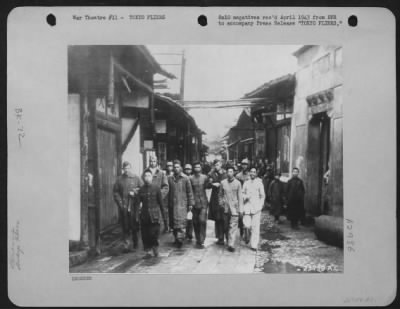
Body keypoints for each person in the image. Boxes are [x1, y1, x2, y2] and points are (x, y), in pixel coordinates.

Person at [113, 161, 143, 251]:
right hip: (124, 207)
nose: (126, 170)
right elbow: (115, 192)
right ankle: (126, 244)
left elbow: (142, 188)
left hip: (134, 206)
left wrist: (135, 192)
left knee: (134, 225)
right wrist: (120, 203)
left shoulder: (136, 178)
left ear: (131, 168)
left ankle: (135, 242)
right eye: (125, 168)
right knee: (125, 226)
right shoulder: (119, 179)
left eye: (128, 168)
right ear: (123, 169)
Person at [138, 170, 168, 259]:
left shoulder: (156, 188)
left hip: (155, 216)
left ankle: (155, 249)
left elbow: (161, 204)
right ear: (143, 178)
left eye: (149, 176)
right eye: (145, 176)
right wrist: (137, 215)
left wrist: (164, 217)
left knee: (154, 234)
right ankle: (147, 252)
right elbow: (137, 203)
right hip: (144, 216)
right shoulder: (141, 190)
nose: (147, 177)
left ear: (152, 177)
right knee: (145, 234)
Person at [167, 160, 195, 248]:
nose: (176, 169)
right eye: (174, 167)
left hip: (182, 204)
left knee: (181, 223)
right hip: (172, 204)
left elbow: (189, 191)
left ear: (181, 168)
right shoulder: (169, 178)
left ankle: (180, 239)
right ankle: (176, 238)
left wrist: (190, 203)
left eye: (178, 167)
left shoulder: (185, 178)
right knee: (174, 224)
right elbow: (167, 191)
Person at [218, 166, 244, 252]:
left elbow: (240, 197)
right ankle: (228, 240)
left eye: (231, 171)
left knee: (233, 226)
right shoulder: (223, 183)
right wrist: (221, 203)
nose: (229, 173)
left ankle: (231, 244)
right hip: (225, 208)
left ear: (234, 173)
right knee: (226, 227)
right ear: (226, 173)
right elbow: (220, 195)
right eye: (228, 171)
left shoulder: (238, 183)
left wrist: (241, 209)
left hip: (234, 209)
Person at [144, 155, 169, 233]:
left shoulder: (161, 173)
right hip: (148, 198)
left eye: (154, 161)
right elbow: (142, 184)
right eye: (151, 161)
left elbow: (166, 186)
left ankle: (159, 232)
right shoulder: (145, 172)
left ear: (156, 161)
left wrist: (159, 195)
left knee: (159, 216)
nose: (152, 162)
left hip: (159, 199)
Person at [242, 167, 265, 251]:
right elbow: (242, 193)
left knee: (255, 227)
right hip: (247, 206)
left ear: (256, 174)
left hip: (256, 207)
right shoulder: (246, 183)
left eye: (254, 172)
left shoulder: (259, 183)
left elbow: (262, 196)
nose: (252, 173)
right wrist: (245, 197)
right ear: (249, 173)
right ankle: (246, 236)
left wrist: (261, 205)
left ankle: (254, 245)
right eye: (251, 172)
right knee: (247, 225)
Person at [207, 159, 227, 245]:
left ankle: (226, 236)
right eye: (215, 165)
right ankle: (220, 237)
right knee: (217, 218)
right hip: (215, 198)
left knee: (224, 218)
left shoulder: (225, 174)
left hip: (224, 197)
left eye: (218, 164)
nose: (217, 166)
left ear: (221, 165)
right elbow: (207, 185)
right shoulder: (211, 174)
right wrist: (212, 184)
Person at [190, 162, 209, 248]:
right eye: (196, 167)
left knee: (202, 220)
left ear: (201, 168)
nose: (197, 169)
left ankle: (202, 239)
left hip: (203, 202)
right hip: (194, 203)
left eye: (199, 167)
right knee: (195, 222)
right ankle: (198, 239)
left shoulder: (204, 177)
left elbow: (208, 185)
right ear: (194, 169)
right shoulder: (190, 178)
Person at [235, 158, 250, 239]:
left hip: (249, 197)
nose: (244, 166)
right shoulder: (238, 176)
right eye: (243, 164)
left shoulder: (250, 175)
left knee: (248, 213)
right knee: (241, 214)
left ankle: (248, 230)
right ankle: (241, 230)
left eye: (246, 165)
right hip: (240, 197)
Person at [183, 163, 194, 241]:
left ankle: (189, 233)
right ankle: (185, 233)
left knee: (190, 218)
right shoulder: (183, 178)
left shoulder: (192, 178)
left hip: (191, 200)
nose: (188, 170)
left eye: (189, 169)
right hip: (183, 200)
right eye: (186, 169)